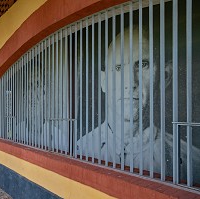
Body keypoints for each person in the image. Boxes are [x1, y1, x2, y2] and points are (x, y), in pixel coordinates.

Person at [76, 26, 200, 182]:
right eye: (118, 67)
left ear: (165, 76)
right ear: (103, 81)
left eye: (142, 65)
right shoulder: (79, 150)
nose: (130, 82)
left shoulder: (190, 162)